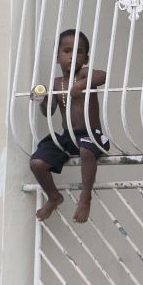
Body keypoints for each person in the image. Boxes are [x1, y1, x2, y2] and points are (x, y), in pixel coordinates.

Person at [30, 29, 109, 223]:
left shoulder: (85, 75)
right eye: (67, 51)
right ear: (58, 57)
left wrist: (80, 86)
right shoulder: (56, 84)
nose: (72, 56)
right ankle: (54, 196)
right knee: (37, 163)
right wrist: (42, 100)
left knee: (86, 151)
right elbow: (48, 112)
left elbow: (103, 76)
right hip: (68, 137)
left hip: (91, 135)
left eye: (79, 51)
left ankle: (85, 196)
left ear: (86, 57)